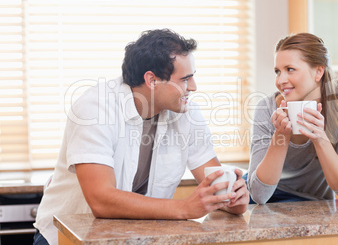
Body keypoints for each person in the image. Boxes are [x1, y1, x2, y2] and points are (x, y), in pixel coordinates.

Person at [33, 29, 249, 245]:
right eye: (185, 79)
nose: (193, 87)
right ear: (152, 80)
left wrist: (232, 199)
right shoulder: (95, 108)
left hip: (134, 236)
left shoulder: (186, 112)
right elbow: (101, 200)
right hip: (65, 238)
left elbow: (214, 182)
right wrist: (184, 208)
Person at [246, 33, 338, 204]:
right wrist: (281, 135)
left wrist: (320, 138)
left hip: (313, 201)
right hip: (267, 196)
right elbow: (259, 196)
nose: (280, 80)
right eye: (278, 71)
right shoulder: (266, 109)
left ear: (318, 71)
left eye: (290, 69)